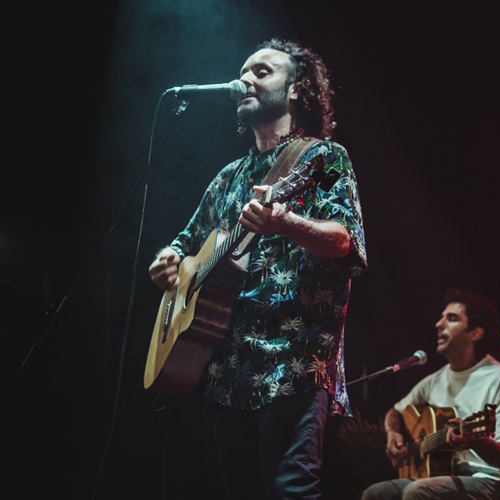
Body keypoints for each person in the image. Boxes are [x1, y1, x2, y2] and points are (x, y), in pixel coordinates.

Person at [148, 37, 367, 499]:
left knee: (292, 490)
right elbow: (186, 243)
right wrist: (167, 260)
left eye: (261, 72)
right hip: (226, 368)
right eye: (243, 71)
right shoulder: (227, 178)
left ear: (295, 90)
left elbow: (346, 243)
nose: (244, 79)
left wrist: (283, 221)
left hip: (294, 360)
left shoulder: (322, 158)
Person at [361, 288, 500, 500]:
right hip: (450, 475)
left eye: (451, 319)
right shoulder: (435, 380)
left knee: (418, 492)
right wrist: (393, 434)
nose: (438, 324)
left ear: (475, 333)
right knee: (375, 494)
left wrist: (476, 441)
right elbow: (395, 412)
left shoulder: (499, 378)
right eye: (441, 317)